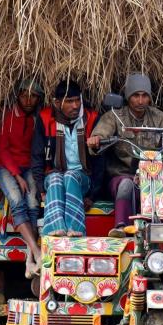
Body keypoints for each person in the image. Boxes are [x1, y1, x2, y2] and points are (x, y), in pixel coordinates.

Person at [87, 72, 163, 237]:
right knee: (126, 185)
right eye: (136, 96)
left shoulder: (160, 118)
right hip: (121, 176)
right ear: (128, 97)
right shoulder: (115, 117)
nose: (140, 101)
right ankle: (121, 227)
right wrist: (97, 140)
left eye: (145, 95)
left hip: (152, 178)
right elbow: (101, 135)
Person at [31, 79, 100, 237]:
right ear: (56, 103)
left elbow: (100, 161)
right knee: (55, 178)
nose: (75, 106)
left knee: (70, 175)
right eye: (69, 101)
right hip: (54, 174)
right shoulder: (45, 119)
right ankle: (54, 230)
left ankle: (76, 229)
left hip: (83, 178)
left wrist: (92, 195)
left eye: (77, 100)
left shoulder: (91, 119)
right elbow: (37, 157)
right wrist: (41, 188)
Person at [0, 79, 44, 278]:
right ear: (17, 96)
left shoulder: (38, 118)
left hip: (28, 166)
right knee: (16, 199)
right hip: (4, 165)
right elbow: (3, 149)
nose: (28, 100)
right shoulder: (7, 116)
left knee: (33, 203)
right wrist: (16, 175)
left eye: (33, 96)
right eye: (24, 95)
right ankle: (36, 253)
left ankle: (30, 260)